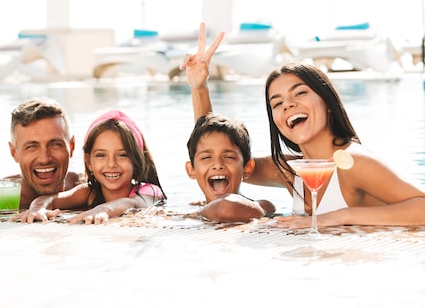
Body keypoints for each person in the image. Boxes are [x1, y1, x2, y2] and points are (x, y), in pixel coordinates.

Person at [181, 22, 425, 228]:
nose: (287, 105)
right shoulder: (290, 170)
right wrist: (199, 88)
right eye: (277, 103)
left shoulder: (352, 162)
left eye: (299, 94)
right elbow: (219, 157)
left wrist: (341, 217)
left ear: (327, 102)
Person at [14, 109, 166, 225]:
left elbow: (133, 203)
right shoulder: (88, 192)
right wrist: (37, 208)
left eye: (122, 155)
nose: (111, 164)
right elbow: (50, 199)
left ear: (137, 162)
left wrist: (103, 210)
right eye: (101, 155)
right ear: (89, 162)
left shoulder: (150, 191)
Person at [185, 112, 275, 222]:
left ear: (247, 168)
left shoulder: (263, 206)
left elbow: (227, 207)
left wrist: (195, 215)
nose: (218, 165)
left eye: (229, 157)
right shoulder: (194, 207)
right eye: (206, 157)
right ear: (191, 170)